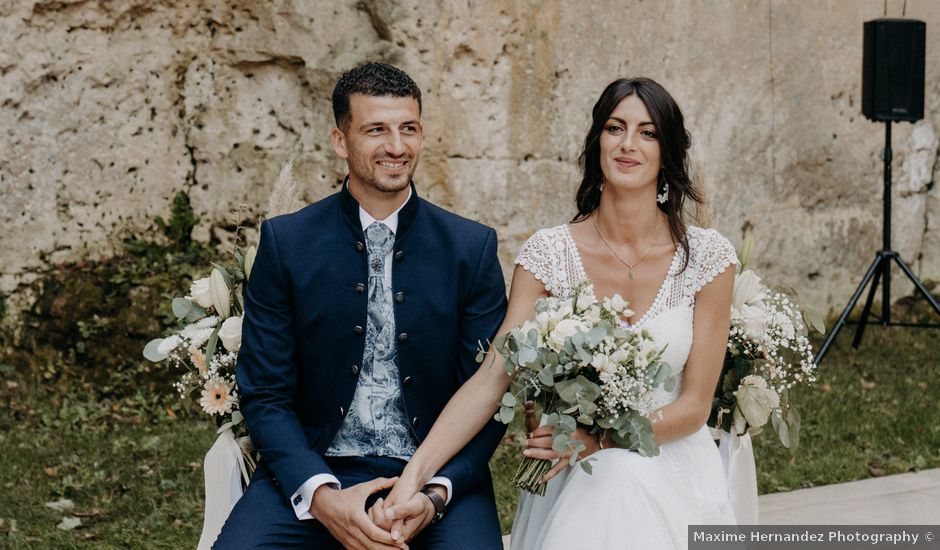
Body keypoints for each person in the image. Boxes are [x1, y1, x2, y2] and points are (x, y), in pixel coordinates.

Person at [378, 77, 739, 549]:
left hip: (669, 459)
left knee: (621, 475)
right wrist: (412, 479)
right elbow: (493, 377)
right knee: (610, 480)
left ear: (668, 151)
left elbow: (695, 407)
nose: (629, 144)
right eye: (615, 128)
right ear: (597, 142)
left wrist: (603, 440)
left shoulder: (707, 257)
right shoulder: (549, 254)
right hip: (574, 467)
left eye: (648, 133)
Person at [214, 62, 508, 549]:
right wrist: (323, 497)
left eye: (408, 128)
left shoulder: (470, 248)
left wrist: (433, 495)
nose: (396, 146)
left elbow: (490, 396)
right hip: (315, 468)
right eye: (376, 130)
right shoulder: (287, 243)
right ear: (339, 139)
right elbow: (265, 392)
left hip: (433, 475)